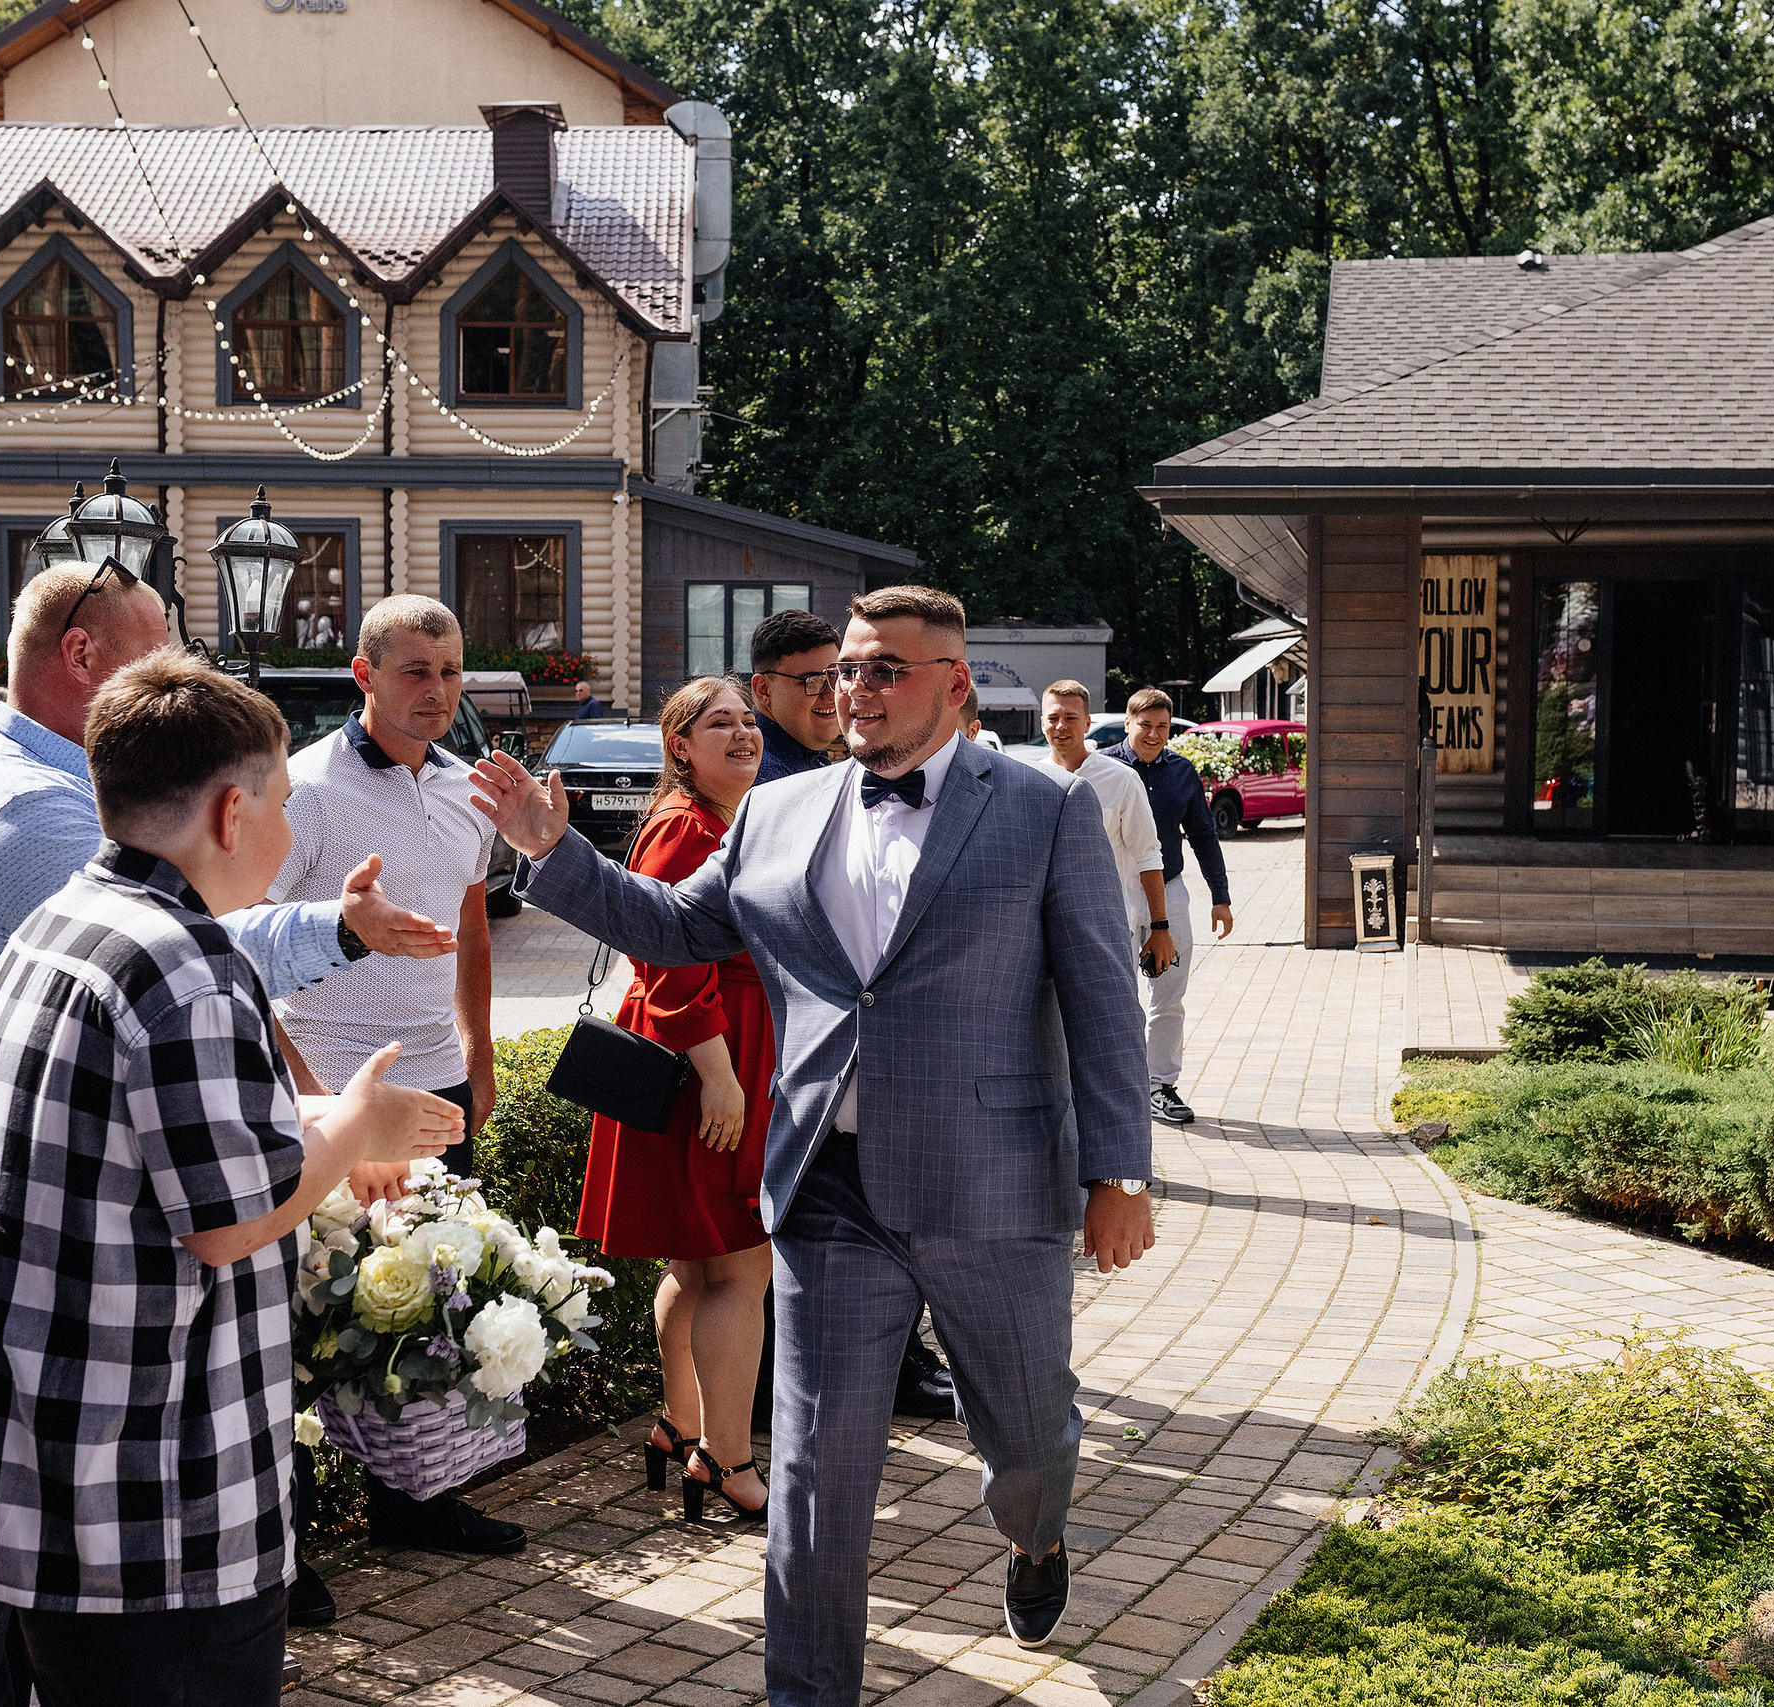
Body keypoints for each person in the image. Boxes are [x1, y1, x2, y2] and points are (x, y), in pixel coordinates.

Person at [468, 584, 1156, 1698]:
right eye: (847, 669)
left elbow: (1103, 999)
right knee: (815, 1471)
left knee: (1027, 1434)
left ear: (955, 683)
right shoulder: (777, 814)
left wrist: (1117, 1172)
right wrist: (555, 852)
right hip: (828, 1186)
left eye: (885, 668)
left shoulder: (1045, 810)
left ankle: (1035, 1536)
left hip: (992, 1182)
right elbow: (675, 927)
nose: (857, 689)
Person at [0, 563, 458, 1705]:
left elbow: (143, 1132)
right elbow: (231, 1221)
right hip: (150, 1506)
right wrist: (359, 1125)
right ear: (231, 812)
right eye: (280, 807)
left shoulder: (69, 915)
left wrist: (318, 1116)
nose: (286, 834)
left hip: (47, 1460)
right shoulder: (180, 965)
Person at [264, 594, 525, 1564]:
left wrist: (479, 1053)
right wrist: (317, 1101)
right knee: (307, 1319)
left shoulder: (468, 790)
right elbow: (249, 948)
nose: (437, 690)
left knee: (433, 1299)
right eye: (416, 670)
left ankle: (417, 1503)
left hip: (438, 1086)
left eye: (450, 672)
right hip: (335, 1090)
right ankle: (284, 1546)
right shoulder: (305, 789)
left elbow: (472, 931)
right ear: (364, 675)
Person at [743, 606, 955, 1423]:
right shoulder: (775, 790)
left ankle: (895, 1365)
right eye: (821, 677)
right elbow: (686, 925)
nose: (838, 692)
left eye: (854, 672)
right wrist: (553, 853)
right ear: (763, 689)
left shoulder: (840, 769)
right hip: (795, 1062)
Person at [577, 676, 774, 1524]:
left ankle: (682, 1428)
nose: (742, 733)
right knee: (740, 1264)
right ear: (680, 747)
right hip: (709, 1055)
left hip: (718, 1049)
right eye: (718, 723)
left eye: (747, 720)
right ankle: (728, 1459)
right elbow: (664, 959)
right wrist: (721, 1075)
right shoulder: (685, 826)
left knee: (697, 1265)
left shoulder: (721, 817)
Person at [1115, 688, 1234, 1125]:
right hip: (1116, 893)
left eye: (1162, 726)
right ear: (1128, 723)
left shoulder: (1182, 772)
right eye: (1145, 725)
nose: (1153, 734)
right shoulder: (1103, 769)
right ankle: (1119, 1085)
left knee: (1169, 995)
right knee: (1116, 994)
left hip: (1169, 892)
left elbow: (1203, 834)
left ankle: (1160, 1085)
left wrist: (1220, 897)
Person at [1035, 681, 1168, 970]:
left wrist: (1160, 928)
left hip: (1109, 930)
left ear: (1087, 723)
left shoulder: (1121, 780)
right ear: (1042, 722)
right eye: (1053, 718)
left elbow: (1148, 856)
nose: (1061, 726)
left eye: (1071, 718)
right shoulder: (1031, 779)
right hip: (1047, 932)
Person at [748, 607, 841, 785]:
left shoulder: (802, 753)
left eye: (836, 676)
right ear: (763, 689)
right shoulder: (764, 776)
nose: (831, 694)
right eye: (812, 681)